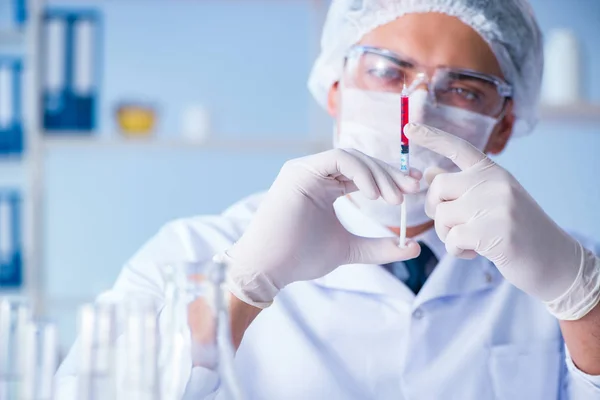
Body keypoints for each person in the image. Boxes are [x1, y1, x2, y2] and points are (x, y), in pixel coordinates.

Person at [56, 0, 600, 399]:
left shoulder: (562, 266)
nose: (418, 108)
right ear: (335, 90)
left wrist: (581, 301)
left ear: (502, 127)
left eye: (464, 88)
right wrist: (242, 288)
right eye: (388, 71)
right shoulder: (193, 252)